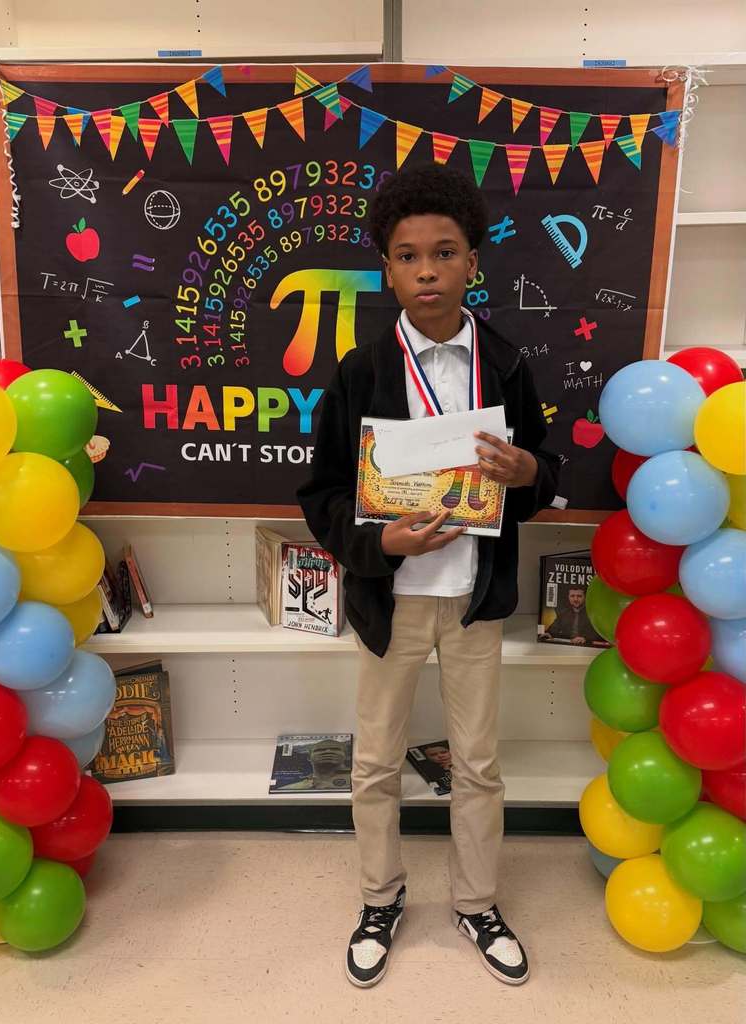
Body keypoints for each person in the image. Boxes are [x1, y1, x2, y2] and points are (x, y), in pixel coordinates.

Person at [297, 163, 559, 989]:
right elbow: (324, 493)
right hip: (393, 602)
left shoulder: (508, 366)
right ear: (387, 269)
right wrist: (385, 547)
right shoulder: (358, 371)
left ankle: (477, 902)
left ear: (473, 261)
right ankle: (381, 897)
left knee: (478, 763)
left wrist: (528, 474)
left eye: (445, 253)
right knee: (374, 763)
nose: (427, 271)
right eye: (408, 257)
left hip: (474, 602)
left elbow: (544, 471)